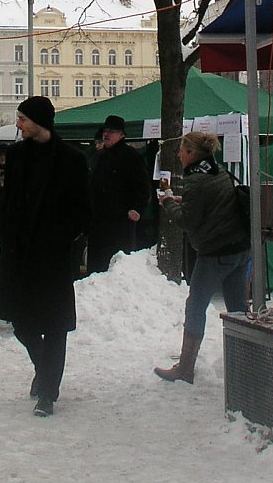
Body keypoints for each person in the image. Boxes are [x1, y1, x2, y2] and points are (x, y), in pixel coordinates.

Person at [0, 96, 90, 417]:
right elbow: (6, 200)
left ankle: (48, 392)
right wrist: (4, 230)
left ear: (39, 122)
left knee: (55, 325)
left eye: (22, 119)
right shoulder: (17, 155)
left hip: (53, 255)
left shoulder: (72, 159)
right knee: (22, 324)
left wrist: (61, 237)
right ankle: (44, 367)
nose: (18, 125)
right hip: (19, 253)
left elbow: (81, 210)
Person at [153, 131, 248, 384]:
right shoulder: (219, 172)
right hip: (240, 249)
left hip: (215, 253)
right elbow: (213, 204)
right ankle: (249, 364)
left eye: (182, 151)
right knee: (238, 309)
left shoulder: (196, 181)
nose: (179, 155)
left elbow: (188, 220)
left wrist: (168, 203)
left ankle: (185, 369)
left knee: (195, 305)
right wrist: (183, 200)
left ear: (192, 154)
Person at [86, 114, 152, 275]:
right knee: (97, 266)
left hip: (120, 222)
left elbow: (143, 187)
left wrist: (137, 209)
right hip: (98, 221)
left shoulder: (131, 156)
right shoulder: (98, 157)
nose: (106, 134)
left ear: (121, 135)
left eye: (112, 132)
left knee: (117, 265)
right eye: (105, 131)